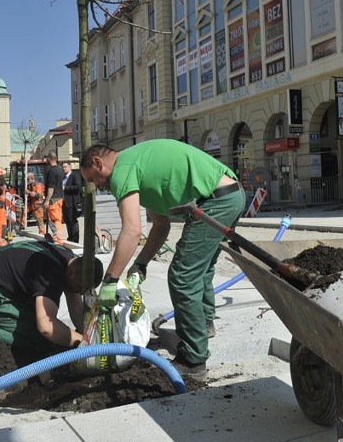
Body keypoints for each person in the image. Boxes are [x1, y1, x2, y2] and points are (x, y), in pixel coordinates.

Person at [80, 140, 245, 379]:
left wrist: (110, 280)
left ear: (98, 162)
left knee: (182, 276)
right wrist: (141, 263)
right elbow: (160, 226)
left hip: (216, 201)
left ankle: (193, 360)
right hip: (231, 195)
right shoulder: (138, 163)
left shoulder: (122, 169)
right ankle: (203, 326)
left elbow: (132, 231)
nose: (99, 186)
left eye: (94, 178)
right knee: (201, 269)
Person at [0, 240, 104, 356]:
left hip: (0, 283)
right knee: (40, 338)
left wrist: (88, 333)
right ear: (72, 273)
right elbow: (46, 327)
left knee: (49, 329)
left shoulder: (69, 260)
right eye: (79, 288)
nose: (78, 293)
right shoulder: (51, 273)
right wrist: (85, 344)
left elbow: (76, 309)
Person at [44, 151, 64, 243]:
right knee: (58, 218)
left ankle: (58, 238)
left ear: (49, 158)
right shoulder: (60, 169)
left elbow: (51, 187)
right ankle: (59, 237)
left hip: (53, 198)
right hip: (60, 197)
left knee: (53, 219)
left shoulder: (51, 171)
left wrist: (47, 200)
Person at [61, 162, 84, 243]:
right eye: (62, 167)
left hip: (72, 202)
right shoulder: (63, 178)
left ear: (70, 167)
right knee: (67, 221)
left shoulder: (74, 175)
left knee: (72, 221)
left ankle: (75, 239)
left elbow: (78, 187)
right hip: (65, 203)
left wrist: (65, 188)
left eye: (65, 167)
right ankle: (70, 237)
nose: (63, 168)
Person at [26, 171, 46, 235]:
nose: (27, 181)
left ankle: (42, 232)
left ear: (31, 178)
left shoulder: (38, 185)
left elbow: (38, 195)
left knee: (39, 219)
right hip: (33, 204)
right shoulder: (30, 186)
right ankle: (22, 226)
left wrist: (28, 192)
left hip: (38, 205)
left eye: (28, 179)